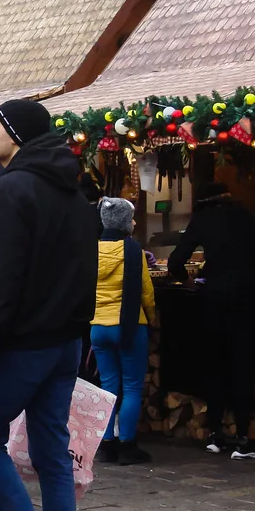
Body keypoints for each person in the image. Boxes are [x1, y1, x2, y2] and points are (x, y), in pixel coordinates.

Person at [0, 99, 98, 511]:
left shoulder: (9, 191)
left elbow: (0, 283)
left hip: (22, 343)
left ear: (15, 135)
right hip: (65, 341)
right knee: (51, 455)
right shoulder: (76, 193)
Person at [168, 182, 255, 458]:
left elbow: (175, 262)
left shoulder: (203, 219)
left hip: (214, 298)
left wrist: (188, 281)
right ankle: (244, 436)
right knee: (243, 364)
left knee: (215, 363)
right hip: (247, 298)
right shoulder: (249, 216)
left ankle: (214, 434)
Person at [92, 198, 156, 466]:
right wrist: (149, 318)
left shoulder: (89, 251)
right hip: (129, 326)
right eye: (130, 219)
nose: (134, 223)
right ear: (121, 223)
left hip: (98, 328)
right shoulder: (134, 252)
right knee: (131, 387)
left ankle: (107, 443)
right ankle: (127, 445)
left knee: (108, 387)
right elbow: (146, 292)